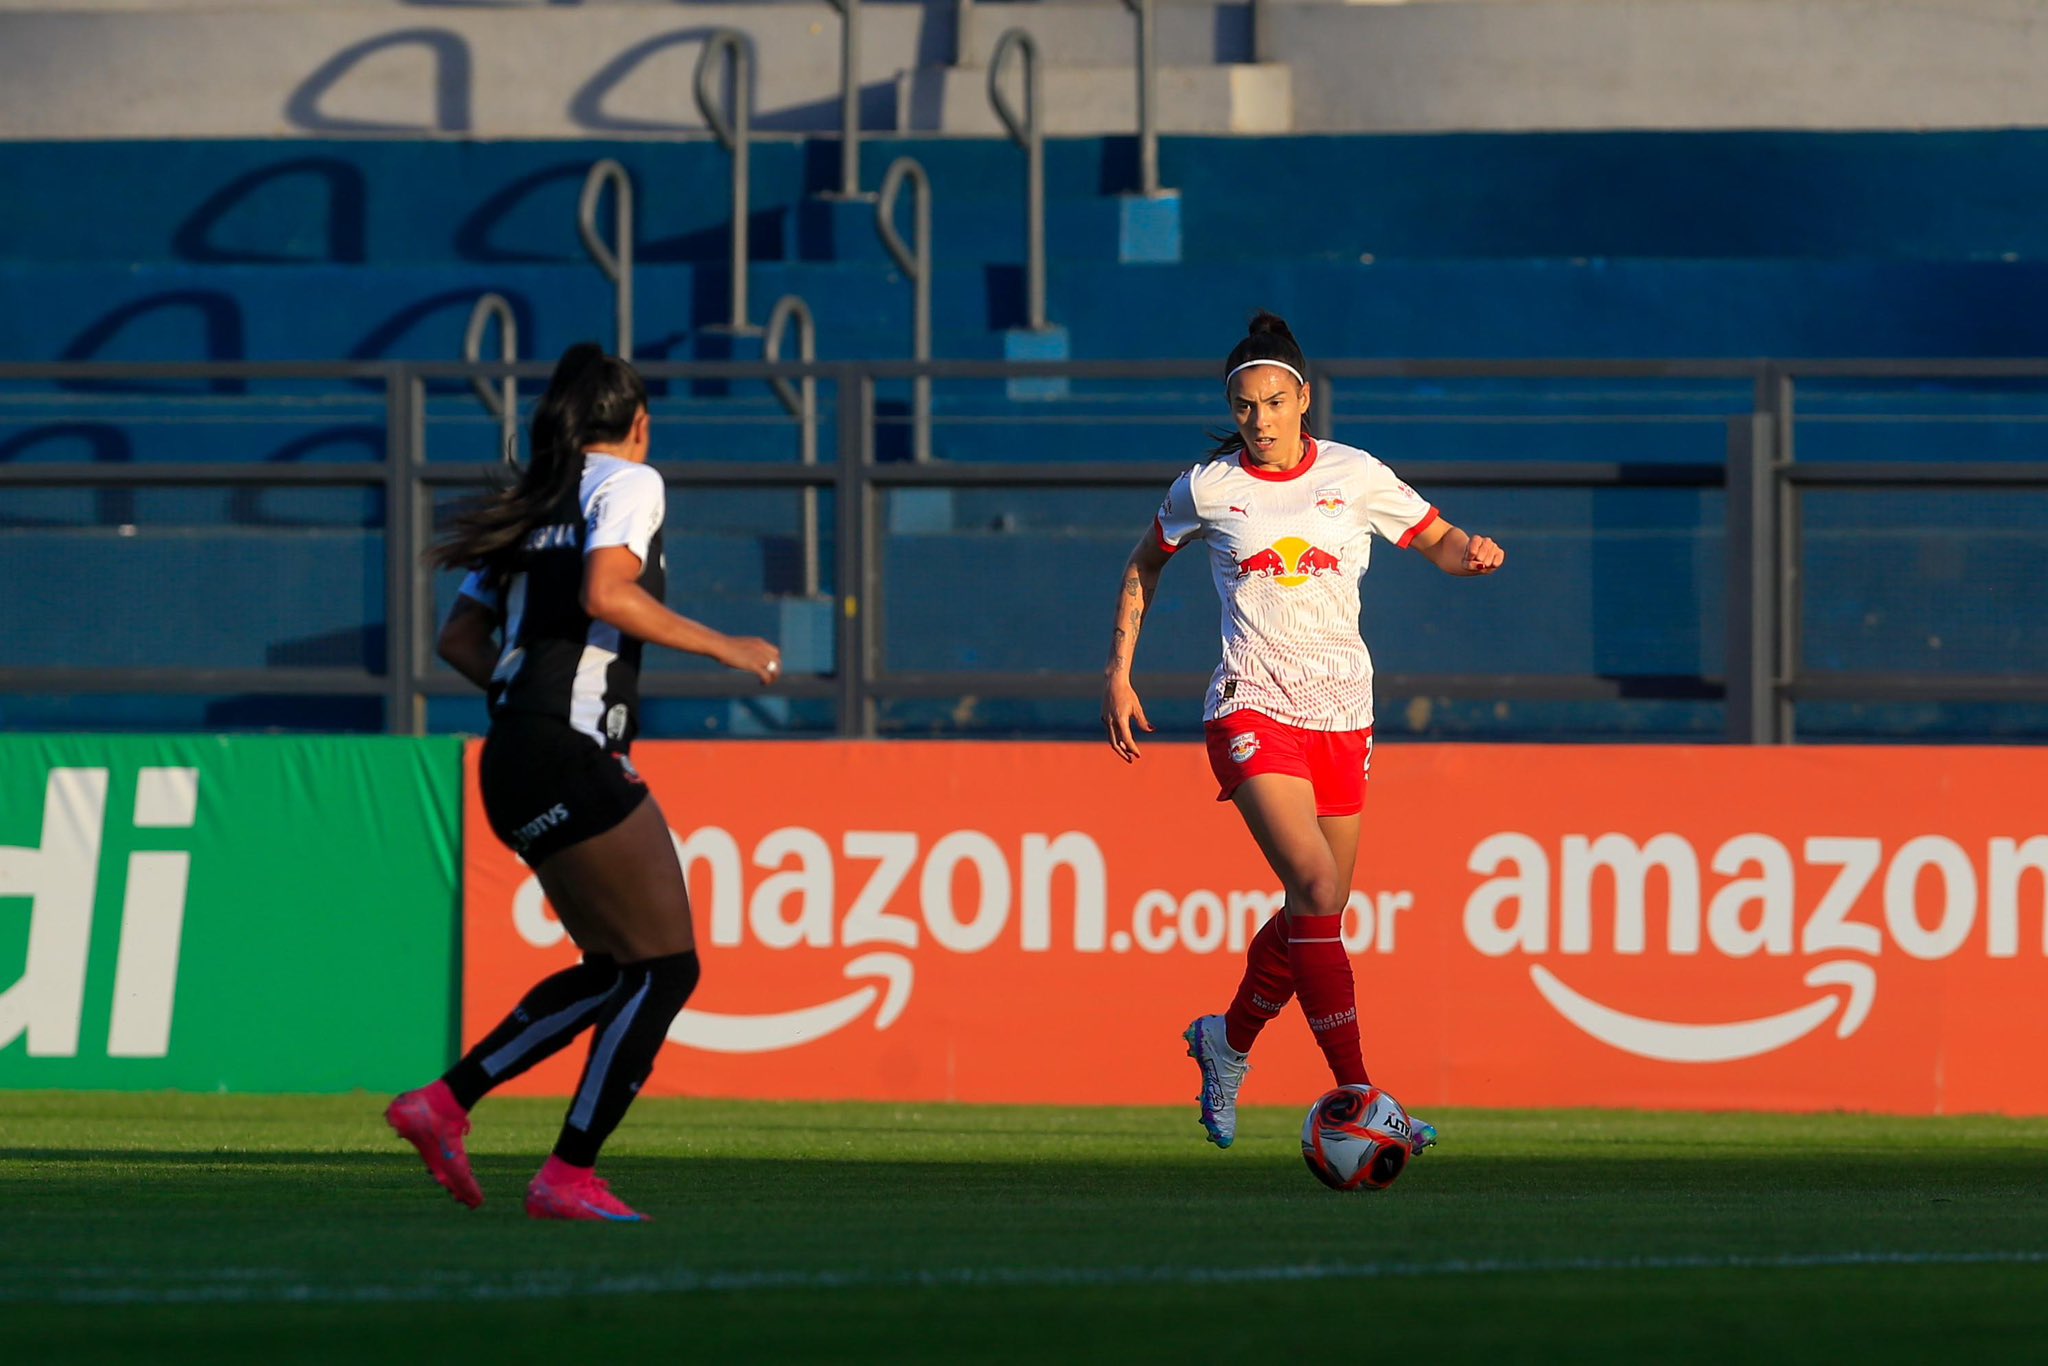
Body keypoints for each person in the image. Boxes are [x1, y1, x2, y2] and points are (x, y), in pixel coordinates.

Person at [386, 343, 780, 1222]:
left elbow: (458, 639)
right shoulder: (628, 483)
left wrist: (520, 699)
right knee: (666, 969)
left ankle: (444, 1105)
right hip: (567, 746)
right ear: (638, 423)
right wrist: (728, 647)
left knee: (614, 968)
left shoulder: (537, 502)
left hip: (511, 750)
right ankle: (566, 1172)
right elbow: (608, 592)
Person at [1100, 311, 1504, 1155]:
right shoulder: (1208, 487)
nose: (1258, 420)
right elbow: (1144, 562)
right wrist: (1119, 670)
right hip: (1250, 705)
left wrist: (1473, 554)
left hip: (1343, 713)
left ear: (1302, 400)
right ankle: (1361, 1093)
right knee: (1319, 888)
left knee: (1317, 907)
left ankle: (1227, 1041)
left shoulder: (1355, 475)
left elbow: (1436, 540)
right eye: (1243, 406)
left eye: (1272, 403)